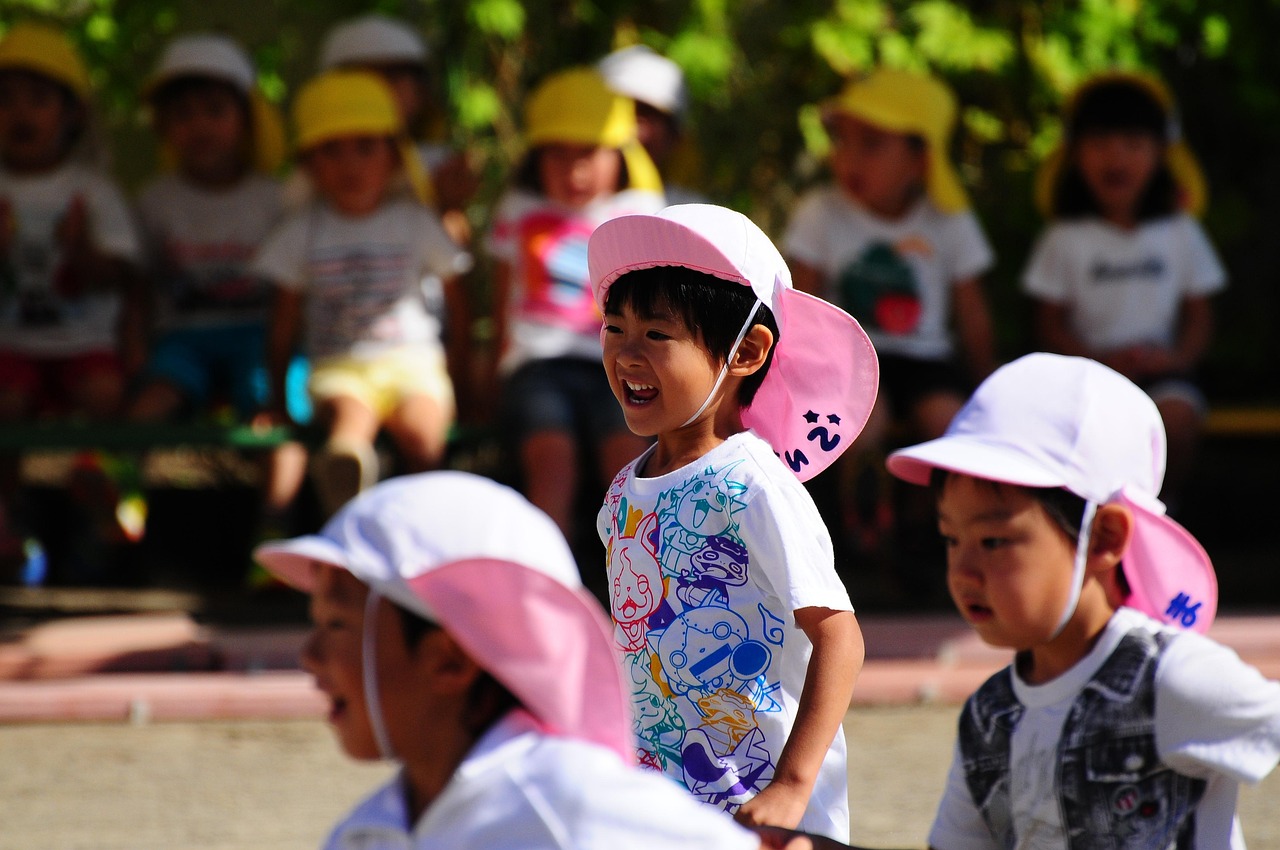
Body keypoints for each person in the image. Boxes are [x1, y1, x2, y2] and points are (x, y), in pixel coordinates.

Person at [881, 353, 1280, 849]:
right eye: (950, 539)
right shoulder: (989, 715)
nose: (963, 572)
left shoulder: (1172, 678)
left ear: (1105, 537)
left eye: (993, 542)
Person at [252, 470, 771, 849]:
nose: (309, 657)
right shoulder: (366, 834)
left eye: (336, 625)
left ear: (449, 663)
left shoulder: (571, 800)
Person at [588, 203, 880, 841]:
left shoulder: (754, 485)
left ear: (745, 351)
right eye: (614, 328)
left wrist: (794, 787)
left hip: (767, 814)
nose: (627, 355)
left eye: (657, 336)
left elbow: (839, 637)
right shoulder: (621, 493)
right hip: (668, 813)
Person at [253, 70, 471, 519]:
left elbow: (459, 306)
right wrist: (276, 398)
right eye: (331, 150)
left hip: (416, 364)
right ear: (309, 163)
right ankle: (348, 485)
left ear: (394, 156)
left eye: (365, 147)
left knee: (424, 435)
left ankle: (423, 527)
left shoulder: (415, 222)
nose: (349, 164)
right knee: (350, 418)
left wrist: (465, 380)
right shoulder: (299, 232)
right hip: (339, 367)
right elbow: (283, 323)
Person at [1023, 72, 1225, 511]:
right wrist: (1098, 360)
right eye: (1100, 144)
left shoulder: (1181, 232)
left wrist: (1176, 359)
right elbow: (1048, 323)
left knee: (1177, 420)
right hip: (1087, 377)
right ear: (1074, 155)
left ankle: (1159, 512)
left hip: (1164, 371)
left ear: (1160, 155)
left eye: (1133, 144)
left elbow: (1199, 315)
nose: (1116, 158)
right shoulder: (1064, 237)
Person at [485, 66, 662, 549]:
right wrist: (487, 369)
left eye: (588, 153)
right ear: (534, 158)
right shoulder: (519, 209)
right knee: (551, 462)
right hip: (537, 364)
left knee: (629, 466)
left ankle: (638, 588)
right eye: (557, 154)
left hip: (620, 361)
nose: (574, 169)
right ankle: (550, 586)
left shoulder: (641, 210)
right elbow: (504, 295)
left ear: (620, 155)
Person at [0, 22, 146, 578]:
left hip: (83, 341)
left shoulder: (94, 189)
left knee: (106, 396)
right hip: (12, 344)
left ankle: (109, 511)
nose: (20, 114)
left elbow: (124, 274)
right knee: (6, 404)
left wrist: (83, 254)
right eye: (5, 99)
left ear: (71, 114)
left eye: (37, 99)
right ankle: (7, 518)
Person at [128, 34, 287, 423]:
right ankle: (121, 479)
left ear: (247, 119)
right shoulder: (153, 202)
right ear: (162, 127)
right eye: (183, 114)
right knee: (149, 408)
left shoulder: (277, 199)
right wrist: (135, 355)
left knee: (270, 411)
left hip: (259, 339)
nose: (199, 125)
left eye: (215, 110)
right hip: (181, 342)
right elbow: (139, 288)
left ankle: (283, 486)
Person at [315, 13, 475, 246]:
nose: (379, 90)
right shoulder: (315, 165)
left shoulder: (439, 165)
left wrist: (448, 207)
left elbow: (454, 259)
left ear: (421, 91)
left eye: (393, 76)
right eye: (362, 78)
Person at [598, 44, 706, 205]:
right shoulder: (556, 212)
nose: (633, 127)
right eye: (622, 109)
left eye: (648, 114)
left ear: (675, 137)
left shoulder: (692, 213)